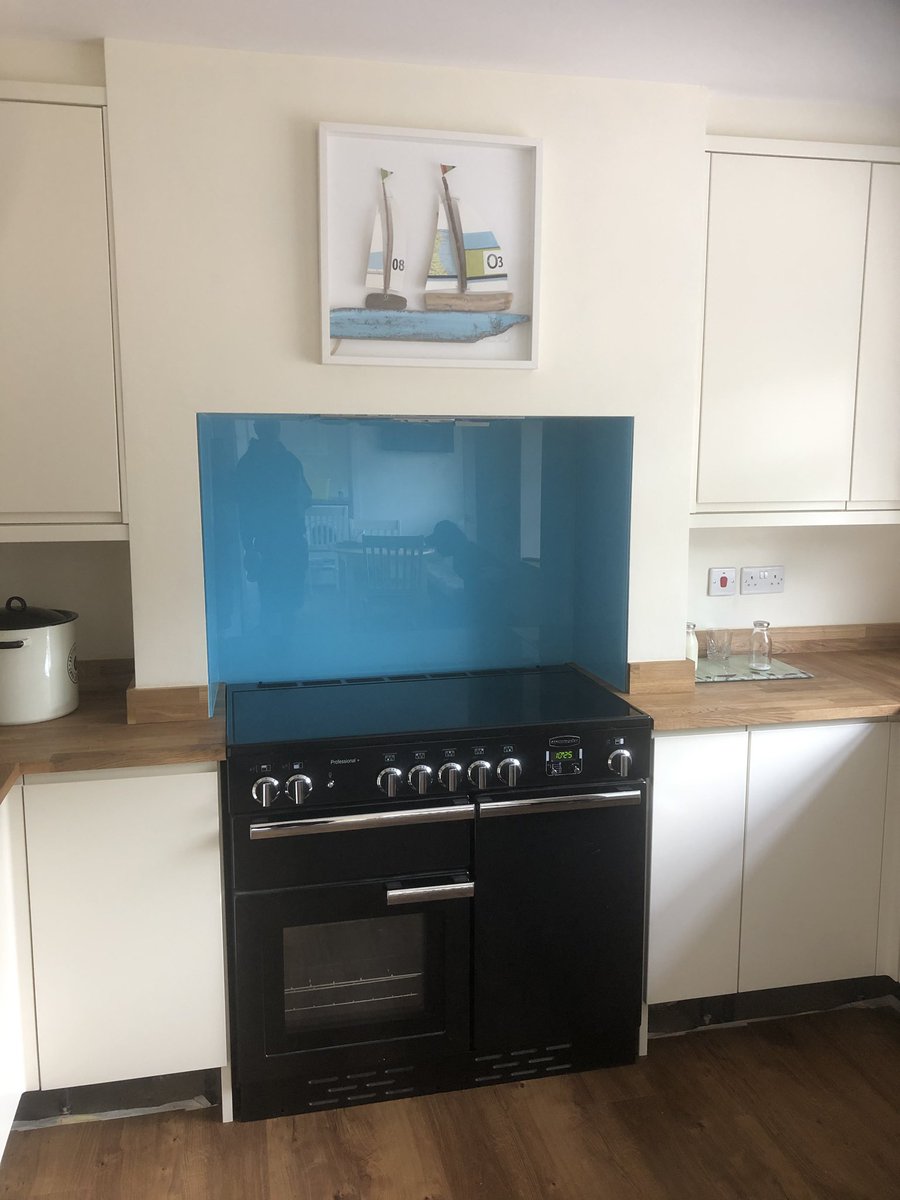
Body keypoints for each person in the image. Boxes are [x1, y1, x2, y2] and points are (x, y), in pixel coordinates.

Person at [234, 419, 312, 631]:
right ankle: (283, 643)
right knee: (287, 601)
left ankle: (272, 645)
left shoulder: (247, 463)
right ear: (278, 430)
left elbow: (242, 507)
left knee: (270, 598)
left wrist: (247, 545)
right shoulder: (289, 461)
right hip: (286, 540)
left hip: (267, 541)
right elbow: (307, 498)